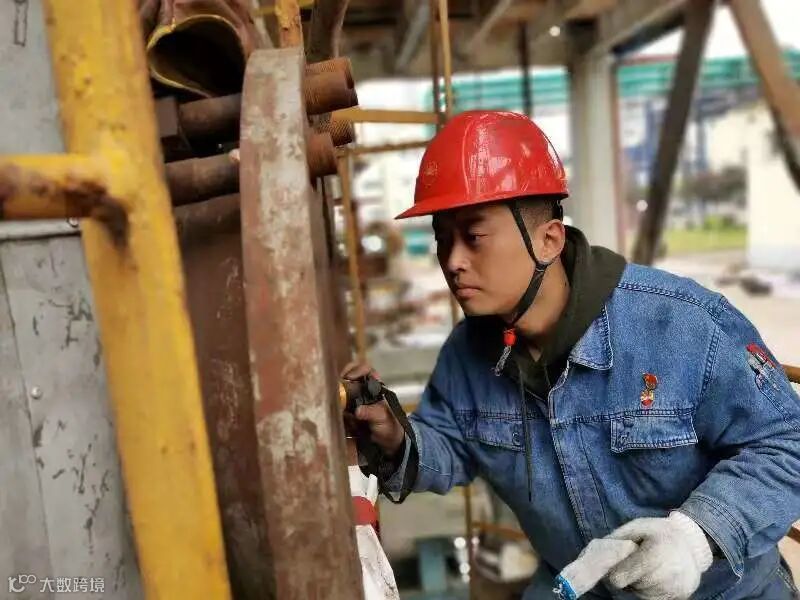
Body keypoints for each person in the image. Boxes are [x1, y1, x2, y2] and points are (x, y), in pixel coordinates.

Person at [342, 110, 800, 599]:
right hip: (579, 587)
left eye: (473, 237)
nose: (453, 262)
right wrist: (395, 437)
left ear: (548, 240)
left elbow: (786, 444)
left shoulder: (682, 325)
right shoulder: (467, 354)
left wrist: (694, 538)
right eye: (442, 240)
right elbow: (451, 446)